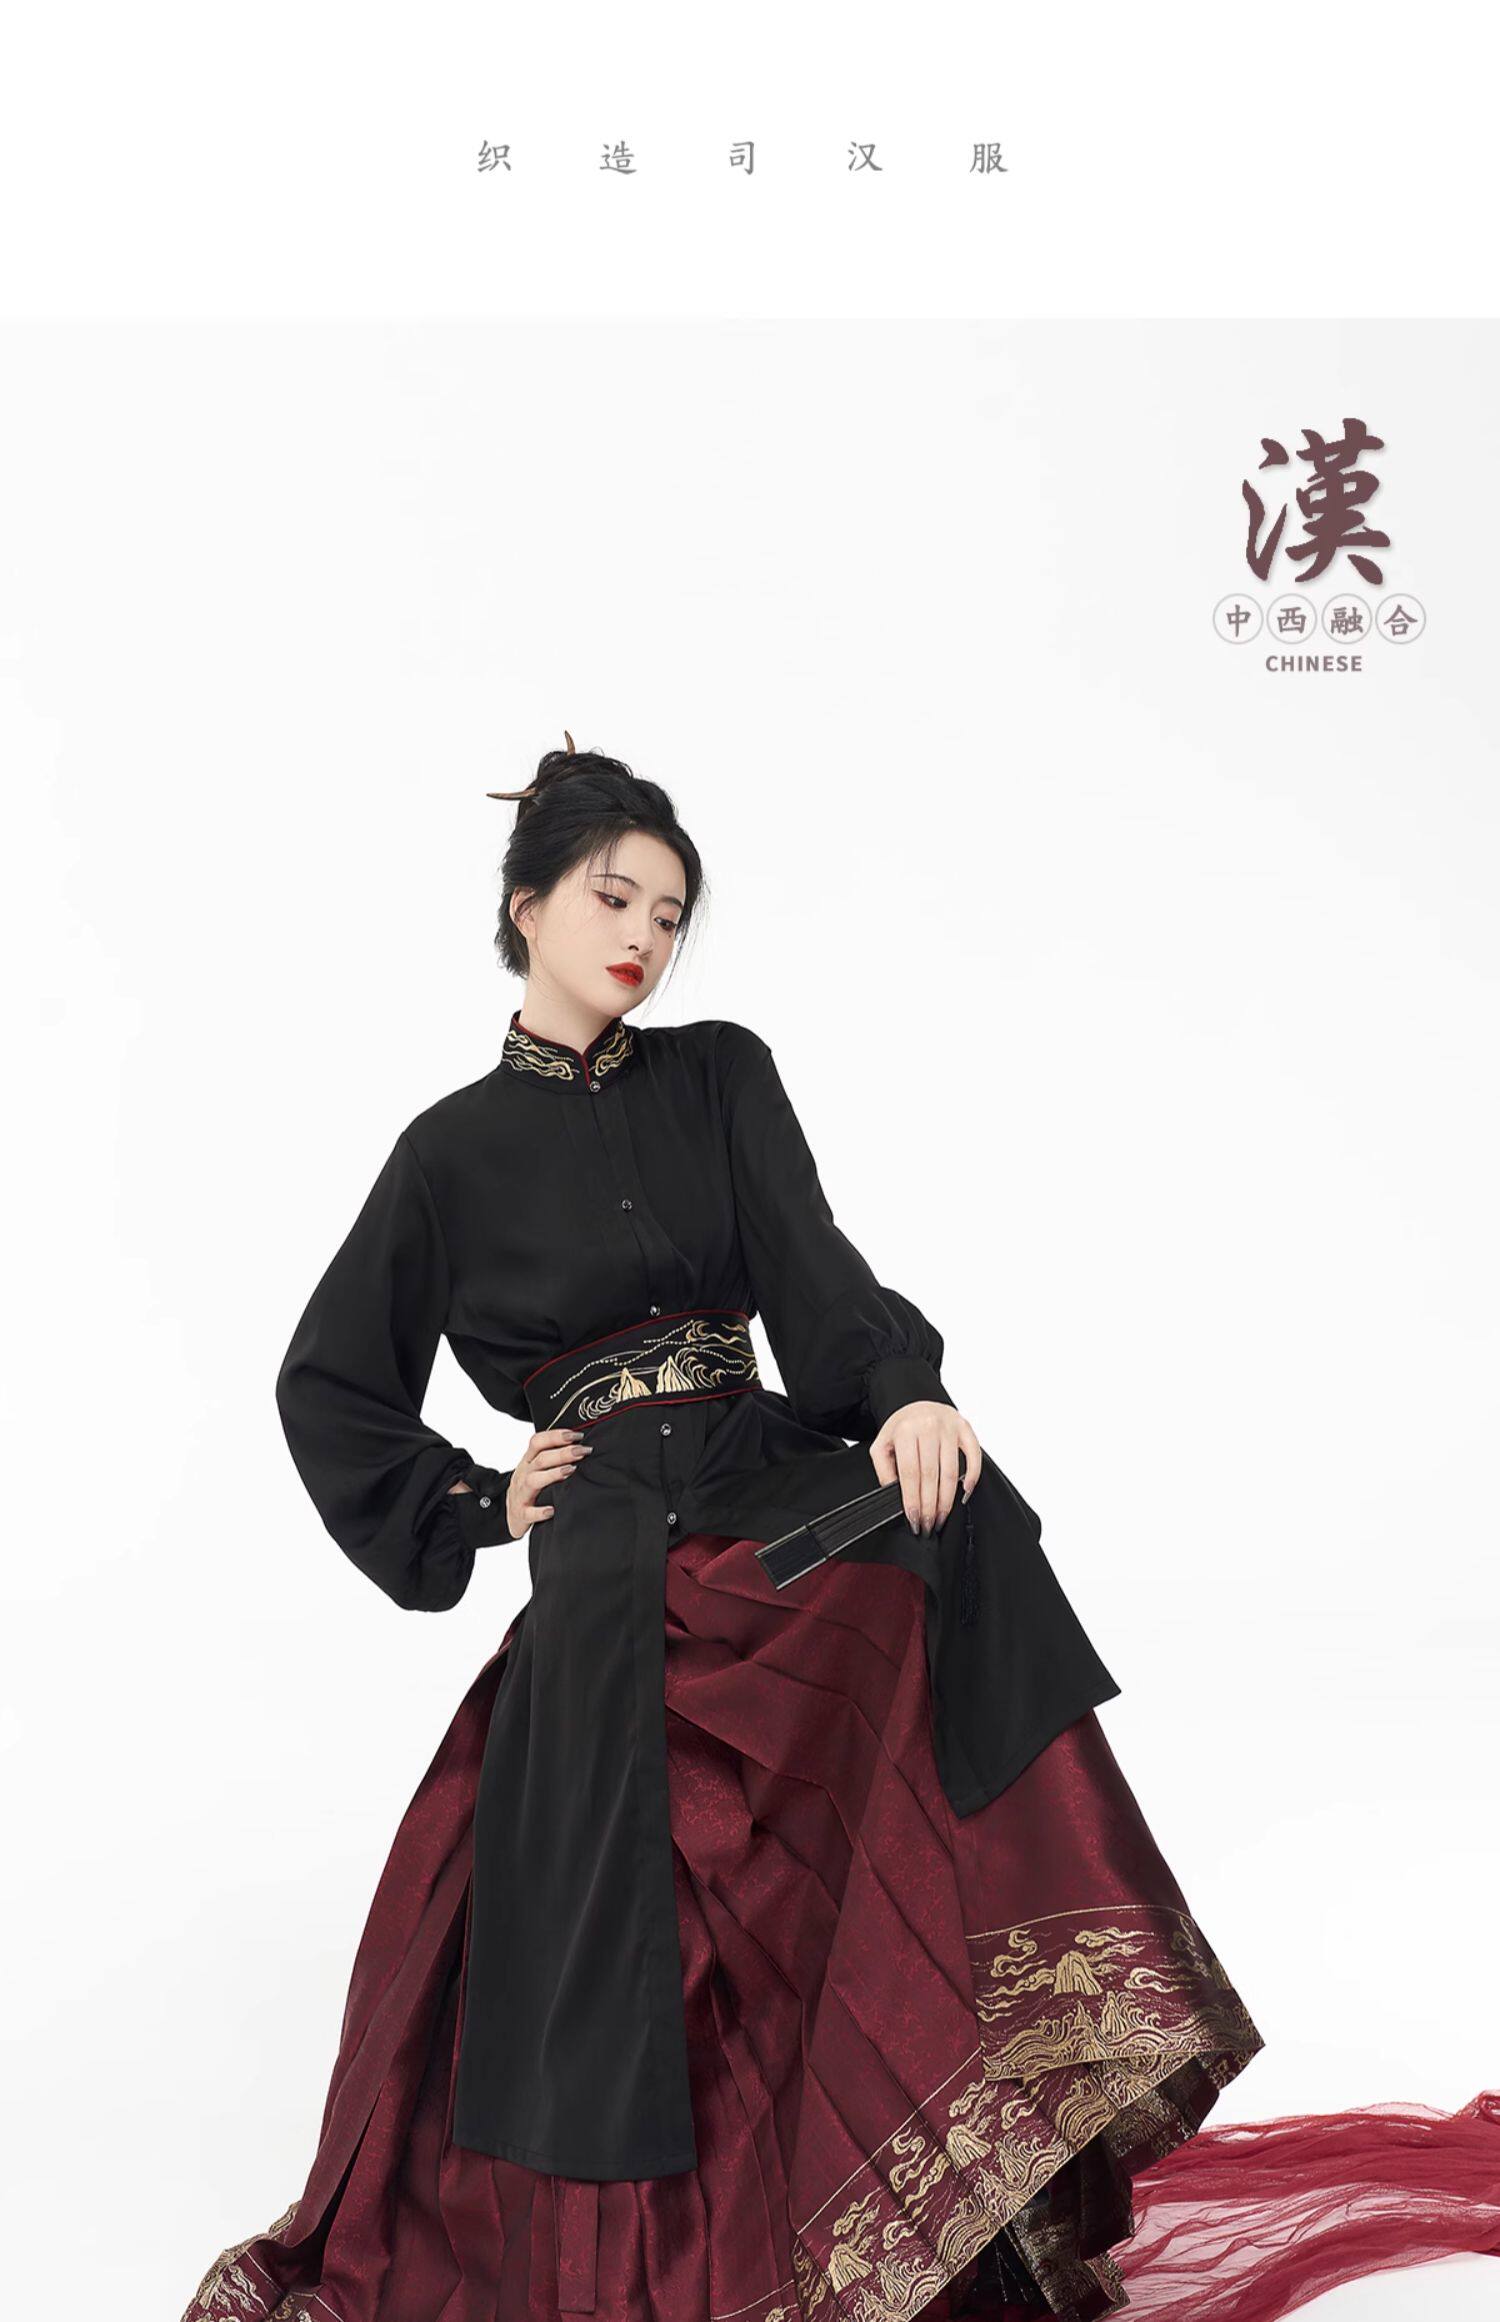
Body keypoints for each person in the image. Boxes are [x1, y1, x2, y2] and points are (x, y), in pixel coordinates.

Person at [182, 741, 1499, 2322]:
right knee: (624, 1891)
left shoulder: (721, 1074)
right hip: (607, 1545)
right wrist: (476, 1496)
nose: (645, 935)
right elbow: (328, 1382)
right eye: (614, 897)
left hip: (755, 1473)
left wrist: (908, 1392)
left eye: (671, 914)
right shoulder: (444, 1156)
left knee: (949, 1529)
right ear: (525, 904)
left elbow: (815, 1269)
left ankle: (977, 2108)